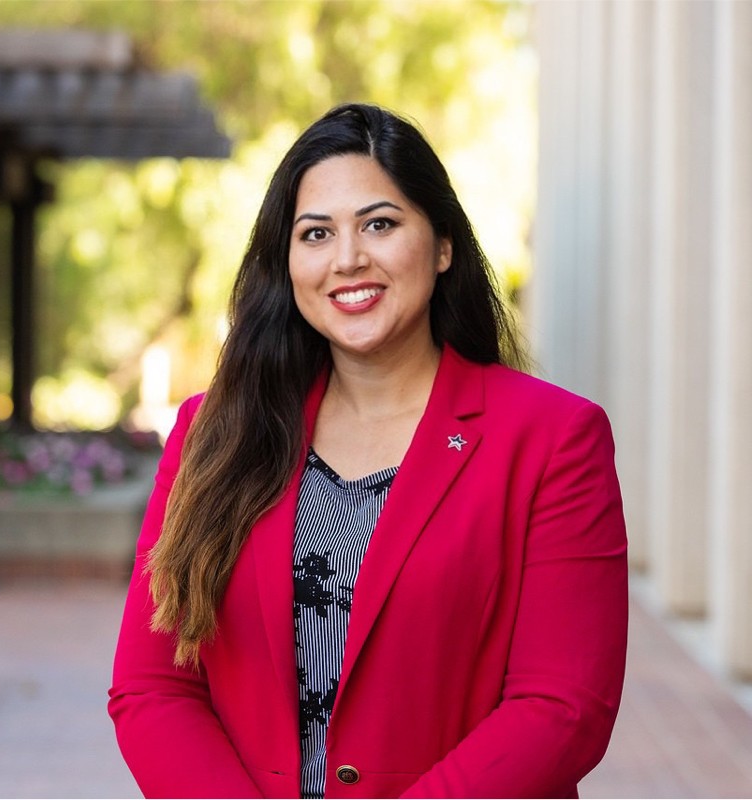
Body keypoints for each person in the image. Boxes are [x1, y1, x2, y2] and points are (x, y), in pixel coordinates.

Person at [108, 103, 628, 799]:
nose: (347, 258)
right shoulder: (215, 433)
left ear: (443, 244)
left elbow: (564, 710)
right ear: (287, 262)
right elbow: (152, 686)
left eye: (379, 224)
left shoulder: (553, 439)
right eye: (315, 233)